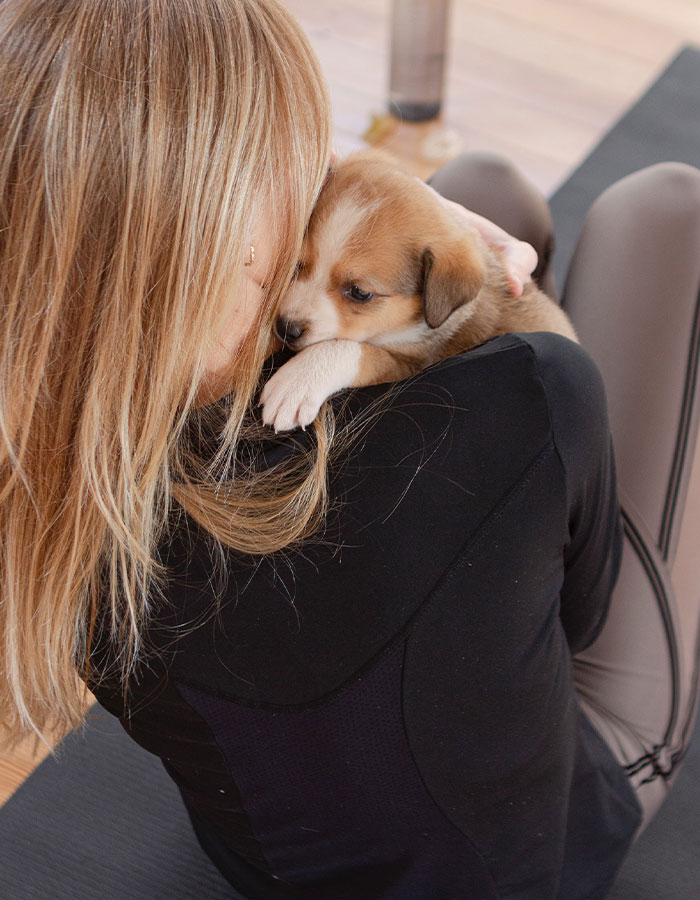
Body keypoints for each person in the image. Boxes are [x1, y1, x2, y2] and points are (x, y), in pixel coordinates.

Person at [1, 2, 699, 898]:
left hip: (272, 864)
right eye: (294, 153)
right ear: (234, 232)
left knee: (488, 184)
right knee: (663, 206)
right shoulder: (529, 393)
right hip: (545, 846)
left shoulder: (52, 474)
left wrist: (393, 203)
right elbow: (582, 604)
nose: (316, 166)